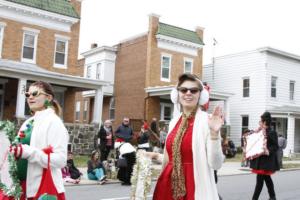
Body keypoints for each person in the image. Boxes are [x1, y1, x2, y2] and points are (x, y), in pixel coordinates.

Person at [149, 73, 224, 199]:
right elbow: (172, 158)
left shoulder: (207, 121)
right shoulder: (174, 122)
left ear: (200, 94)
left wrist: (214, 135)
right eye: (183, 90)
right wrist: (156, 156)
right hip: (168, 183)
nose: (188, 93)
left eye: (193, 90)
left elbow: (216, 164)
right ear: (177, 94)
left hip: (194, 185)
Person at [5, 81, 69, 200]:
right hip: (20, 187)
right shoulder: (28, 122)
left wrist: (29, 152)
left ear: (48, 98)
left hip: (42, 190)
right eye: (27, 94)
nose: (30, 97)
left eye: (35, 93)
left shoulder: (54, 123)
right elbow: (18, 148)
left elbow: (60, 160)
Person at [250, 111, 279, 200]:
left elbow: (275, 146)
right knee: (267, 179)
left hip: (267, 160)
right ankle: (272, 197)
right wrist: (255, 132)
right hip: (260, 160)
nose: (259, 123)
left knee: (260, 181)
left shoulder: (271, 132)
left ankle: (255, 199)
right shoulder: (260, 131)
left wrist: (268, 151)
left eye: (261, 121)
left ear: (265, 122)